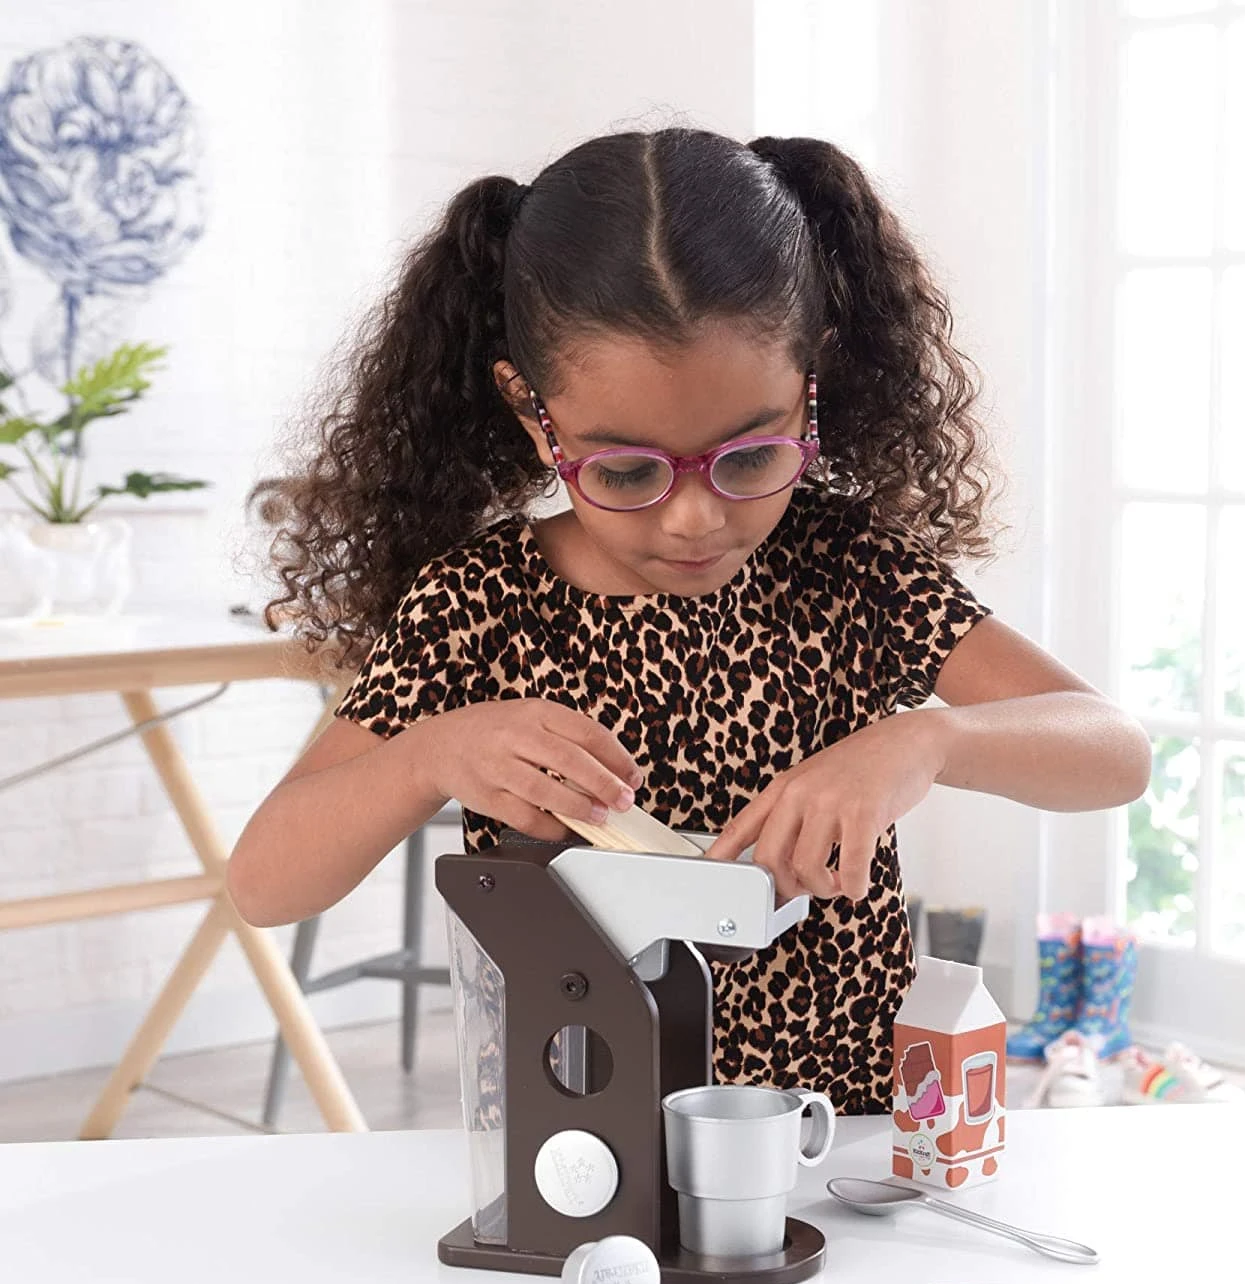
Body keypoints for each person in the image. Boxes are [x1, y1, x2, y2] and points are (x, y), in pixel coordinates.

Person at [228, 128, 1149, 1114]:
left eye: (748, 458)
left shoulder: (850, 572)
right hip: (576, 1128)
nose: (695, 519)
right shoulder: (477, 606)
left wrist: (926, 742)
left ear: (811, 383)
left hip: (833, 1129)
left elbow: (1114, 751)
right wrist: (427, 757)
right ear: (534, 413)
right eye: (628, 471)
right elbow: (264, 885)